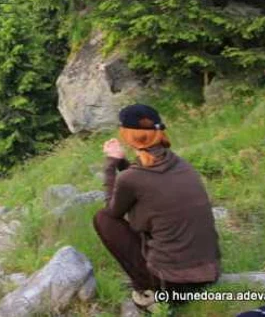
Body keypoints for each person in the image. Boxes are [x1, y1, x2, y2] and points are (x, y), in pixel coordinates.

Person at [92, 104, 221, 309]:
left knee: (103, 219)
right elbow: (142, 182)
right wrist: (123, 163)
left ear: (127, 136)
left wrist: (110, 164)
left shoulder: (131, 178)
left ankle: (149, 292)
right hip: (210, 273)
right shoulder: (182, 164)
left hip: (173, 284)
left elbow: (113, 210)